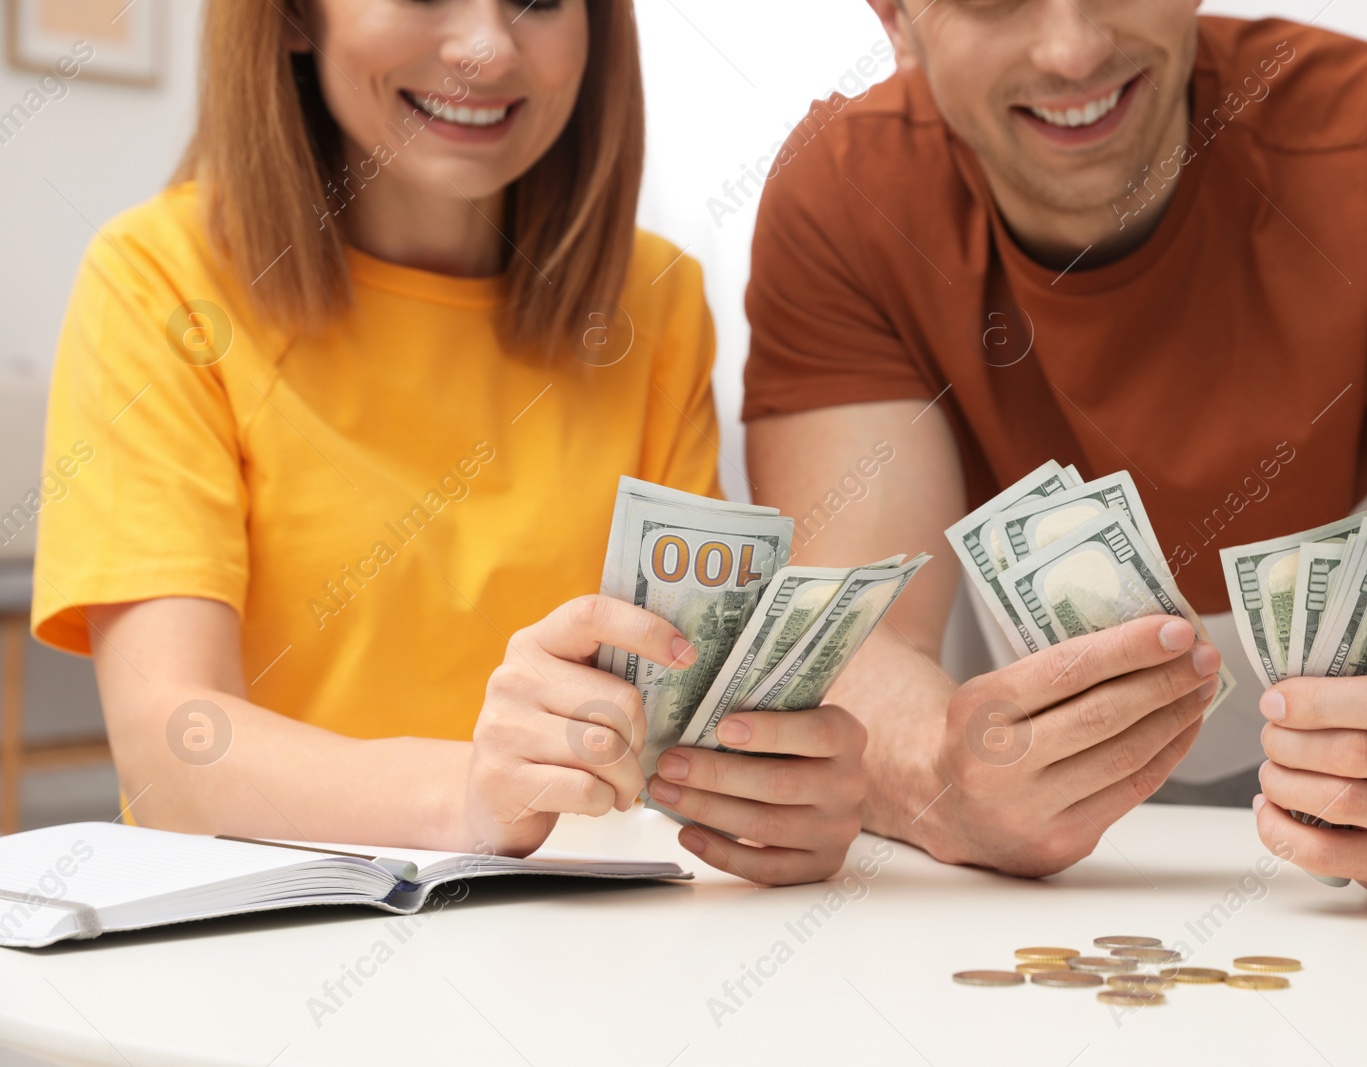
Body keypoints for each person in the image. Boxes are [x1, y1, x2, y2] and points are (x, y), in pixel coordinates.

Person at [742, 0, 1367, 893]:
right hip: (1036, 896)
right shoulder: (846, 198)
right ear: (895, 16)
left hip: (1365, 908)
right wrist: (942, 779)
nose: (1073, 50)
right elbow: (846, 650)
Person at [31, 0, 866, 887]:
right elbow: (174, 748)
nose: (486, 47)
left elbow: (681, 727)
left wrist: (775, 794)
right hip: (264, 953)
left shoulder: (652, 303)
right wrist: (468, 796)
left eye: (541, 2)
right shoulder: (156, 279)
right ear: (291, 17)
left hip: (580, 953)